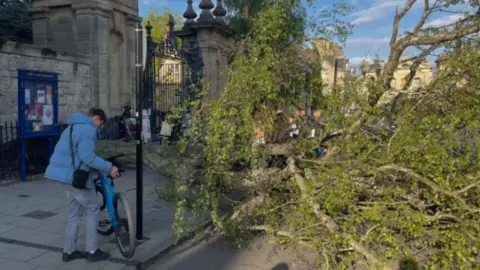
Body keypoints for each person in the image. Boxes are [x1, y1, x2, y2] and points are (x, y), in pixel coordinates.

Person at [45, 108, 120, 263]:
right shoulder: (88, 130)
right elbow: (88, 157)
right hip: (75, 179)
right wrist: (109, 167)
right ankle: (92, 251)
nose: (99, 127)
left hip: (64, 177)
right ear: (97, 119)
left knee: (74, 214)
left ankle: (69, 251)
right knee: (92, 209)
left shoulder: (71, 128)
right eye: (100, 124)